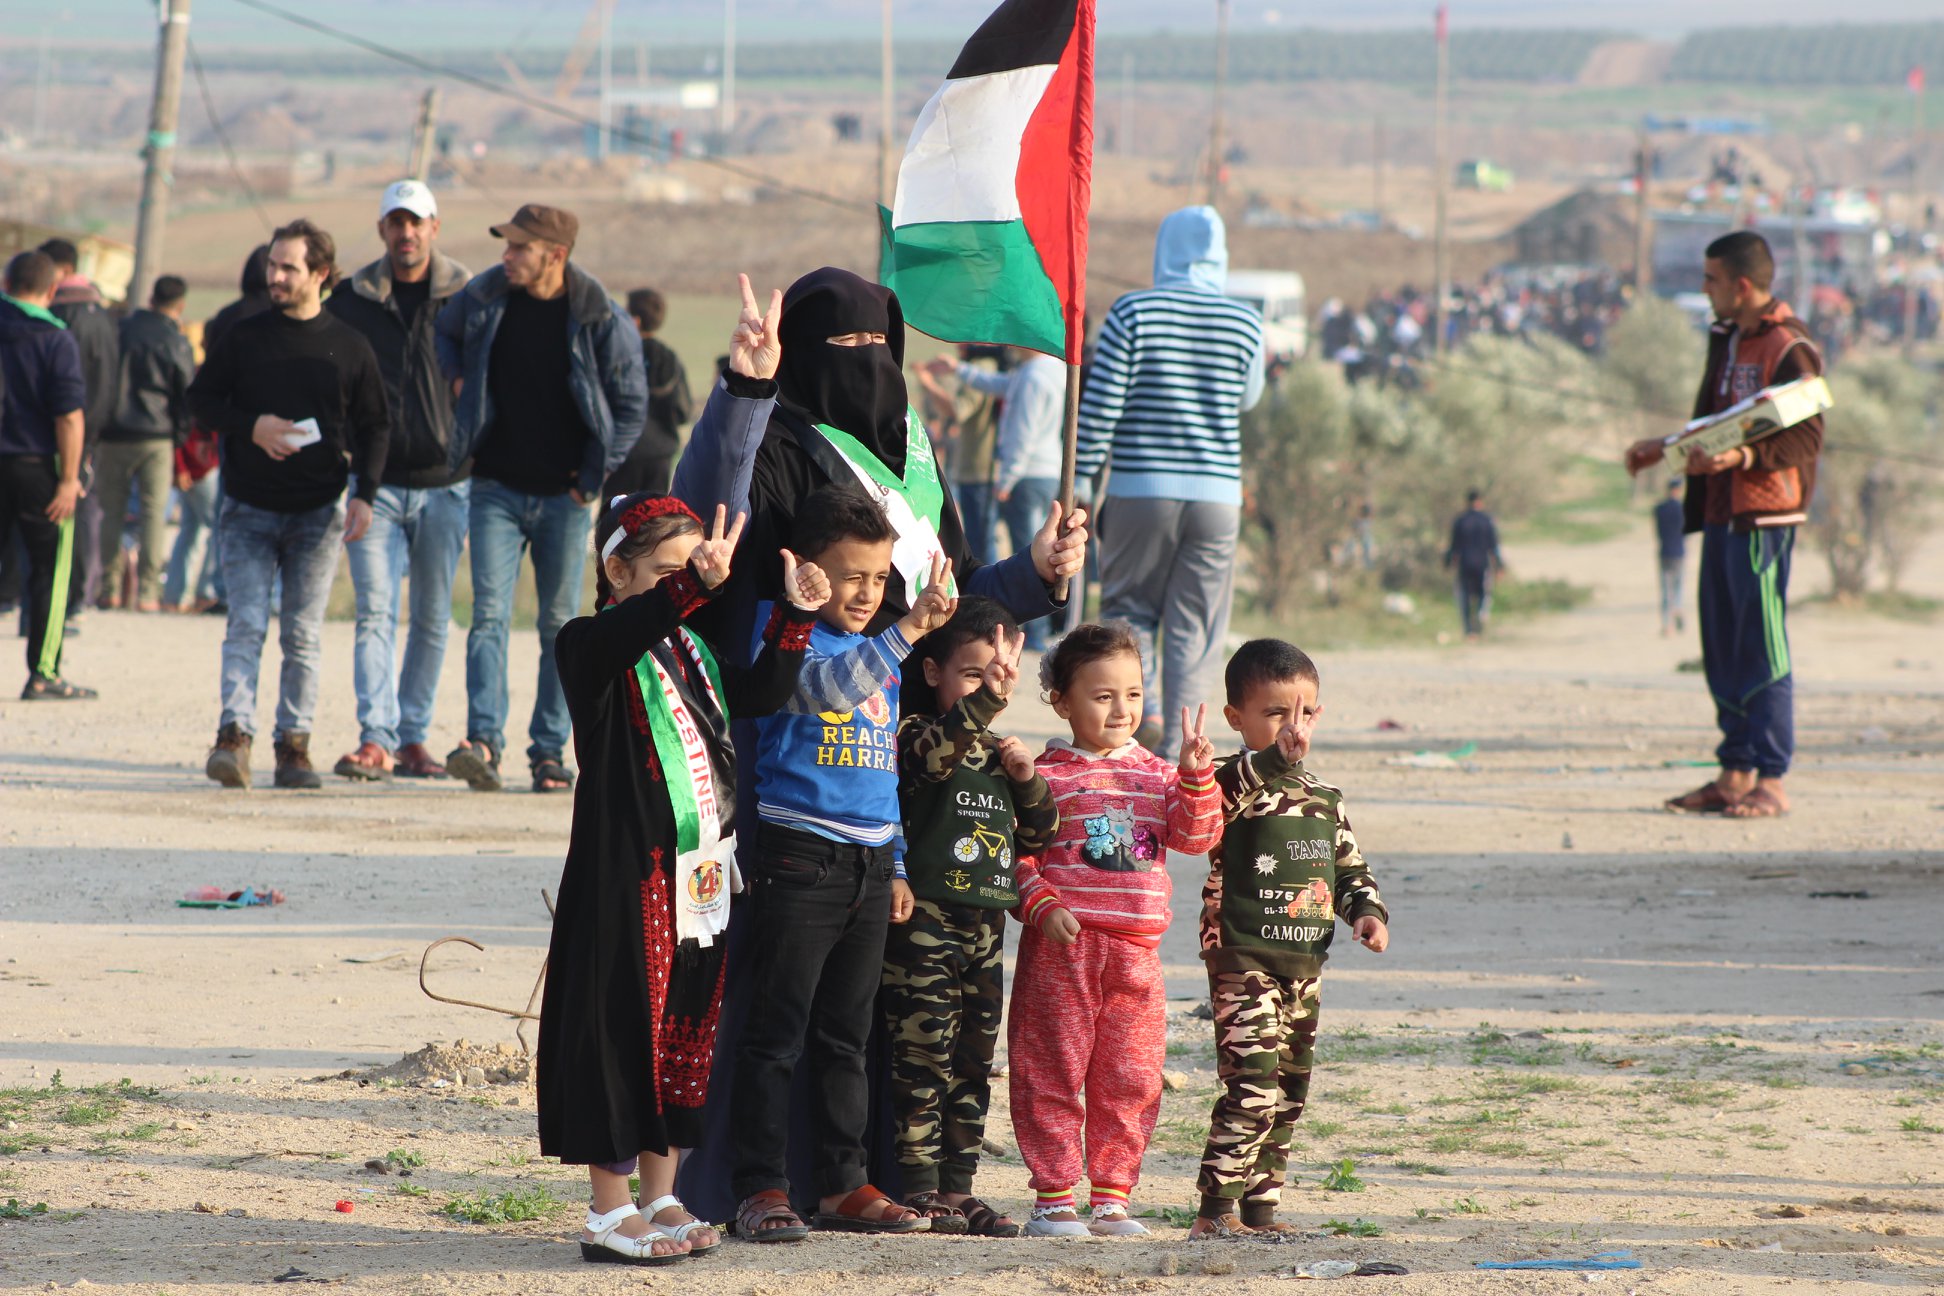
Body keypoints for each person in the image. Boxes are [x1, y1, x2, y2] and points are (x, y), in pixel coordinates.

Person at [670, 270, 1088, 1225]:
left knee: (872, 1013)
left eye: (878, 347)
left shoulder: (915, 452)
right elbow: (717, 524)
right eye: (843, 348)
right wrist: (746, 389)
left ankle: (874, 1178)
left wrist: (1033, 573)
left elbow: (952, 598)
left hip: (898, 770)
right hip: (788, 754)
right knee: (775, 1008)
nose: (865, 365)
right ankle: (754, 1182)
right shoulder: (775, 438)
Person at [538, 493, 826, 1266]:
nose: (694, 583)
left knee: (684, 1031)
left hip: (695, 875)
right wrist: (691, 587)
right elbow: (629, 630)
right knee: (619, 1034)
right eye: (675, 571)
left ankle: (661, 1195)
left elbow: (759, 694)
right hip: (626, 877)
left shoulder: (690, 650)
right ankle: (609, 1209)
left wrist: (795, 617)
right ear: (616, 571)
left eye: (698, 571)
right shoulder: (588, 644)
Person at [727, 483, 957, 1241]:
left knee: (846, 1038)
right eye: (851, 576)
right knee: (777, 1034)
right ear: (806, 570)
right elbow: (824, 693)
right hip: (800, 859)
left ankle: (843, 1185)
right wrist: (908, 629)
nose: (867, 594)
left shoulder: (883, 647)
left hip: (869, 866)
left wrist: (897, 863)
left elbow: (882, 770)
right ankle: (760, 1187)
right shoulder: (783, 632)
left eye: (880, 578)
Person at [1008, 622, 1221, 1237]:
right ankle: (1053, 1198)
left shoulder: (1158, 774)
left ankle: (1111, 1196)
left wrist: (1196, 776)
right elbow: (1015, 859)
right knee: (1049, 1069)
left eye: (1133, 694)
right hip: (1063, 952)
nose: (1121, 709)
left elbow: (1196, 836)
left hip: (1136, 954)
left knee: (1130, 1077)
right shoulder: (1042, 777)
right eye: (1103, 696)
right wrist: (1041, 904)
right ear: (1061, 702)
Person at [435, 203, 646, 794]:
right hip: (494, 487)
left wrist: (592, 477)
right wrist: (458, 379)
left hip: (565, 497)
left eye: (519, 248)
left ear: (555, 255)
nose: (506, 256)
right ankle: (483, 742)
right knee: (488, 616)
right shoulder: (484, 295)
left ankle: (549, 753)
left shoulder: (599, 315)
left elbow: (631, 405)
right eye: (506, 245)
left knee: (559, 625)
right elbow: (444, 330)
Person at [1188, 640, 1388, 1241]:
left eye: (1304, 713)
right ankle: (1214, 1211)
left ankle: (1260, 1210)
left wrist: (1366, 912)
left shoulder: (1325, 797)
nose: (1292, 727)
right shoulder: (1230, 781)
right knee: (1251, 1084)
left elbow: (1349, 868)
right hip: (1242, 955)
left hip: (1304, 962)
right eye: (1276, 713)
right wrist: (1273, 759)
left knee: (1288, 1092)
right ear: (1236, 718)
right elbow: (1208, 808)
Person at [1626, 231, 1823, 821]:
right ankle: (1734, 773)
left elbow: (1806, 436)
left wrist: (1741, 458)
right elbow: (1724, 421)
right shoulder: (1730, 337)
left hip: (1762, 514)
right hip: (1719, 509)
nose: (1704, 288)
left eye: (1711, 278)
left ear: (1740, 284)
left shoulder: (1789, 346)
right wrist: (1665, 447)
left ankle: (1772, 777)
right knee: (1722, 646)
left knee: (1762, 645)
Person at [189, 219, 390, 790]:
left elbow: (376, 425)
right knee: (246, 625)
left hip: (318, 514)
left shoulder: (348, 346)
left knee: (301, 634)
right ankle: (233, 739)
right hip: (247, 509)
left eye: (287, 268)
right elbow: (200, 400)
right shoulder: (243, 337)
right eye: (272, 266)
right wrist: (250, 425)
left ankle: (293, 748)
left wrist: (365, 495)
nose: (274, 276)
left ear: (320, 273)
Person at [882, 598, 1057, 1236]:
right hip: (924, 924)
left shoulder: (996, 751)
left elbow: (1039, 835)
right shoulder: (914, 733)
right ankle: (921, 1188)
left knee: (973, 1062)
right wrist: (984, 704)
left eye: (997, 676)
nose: (988, 687)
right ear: (934, 673)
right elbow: (932, 760)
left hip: (985, 930)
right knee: (923, 1055)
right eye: (973, 675)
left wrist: (1027, 779)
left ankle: (959, 1189)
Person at [1075, 206, 1266, 756]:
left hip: (1141, 490)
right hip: (1217, 497)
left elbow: (1102, 405)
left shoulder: (1134, 312)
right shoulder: (1246, 322)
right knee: (1194, 626)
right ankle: (1183, 748)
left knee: (1129, 607)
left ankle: (1146, 709)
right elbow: (1247, 399)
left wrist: (1082, 477)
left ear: (1165, 251)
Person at [325, 180, 473, 781]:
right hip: (374, 484)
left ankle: (413, 738)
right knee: (375, 614)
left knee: (432, 618)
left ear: (434, 227)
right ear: (382, 229)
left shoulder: (468, 296)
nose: (406, 233)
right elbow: (327, 374)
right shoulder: (352, 299)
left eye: (416, 222)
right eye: (396, 222)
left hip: (447, 481)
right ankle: (375, 738)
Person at [923, 347, 1067, 650]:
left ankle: (1035, 634)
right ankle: (1038, 631)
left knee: (1032, 553)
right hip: (1045, 471)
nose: (1011, 344)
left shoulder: (1034, 376)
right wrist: (959, 369)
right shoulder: (1047, 370)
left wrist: (1007, 477)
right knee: (1037, 550)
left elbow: (1021, 432)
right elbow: (997, 384)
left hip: (1026, 475)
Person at [0, 250, 94, 700]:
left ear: (6, 283)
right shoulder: (55, 339)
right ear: (52, 289)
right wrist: (69, 479)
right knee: (49, 570)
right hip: (36, 467)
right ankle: (43, 673)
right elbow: (69, 417)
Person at [95, 274, 195, 614]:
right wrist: (179, 436)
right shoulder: (175, 340)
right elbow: (186, 394)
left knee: (111, 511)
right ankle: (148, 592)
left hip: (113, 433)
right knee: (154, 514)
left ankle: (109, 588)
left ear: (151, 299)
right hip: (157, 435)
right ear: (180, 306)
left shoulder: (118, 330)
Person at [39, 239, 119, 624]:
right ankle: (78, 598)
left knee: (62, 515)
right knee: (84, 513)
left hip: (64, 430)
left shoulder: (58, 315)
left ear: (63, 270)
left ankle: (60, 601)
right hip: (92, 430)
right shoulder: (104, 314)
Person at [602, 288, 693, 499]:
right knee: (654, 515)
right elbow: (683, 411)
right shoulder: (670, 358)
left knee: (616, 514)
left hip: (622, 453)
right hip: (660, 457)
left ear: (635, 321)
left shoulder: (617, 355)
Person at [1444, 488, 1502, 640]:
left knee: (1465, 596)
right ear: (1480, 501)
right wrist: (1499, 566)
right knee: (1483, 594)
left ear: (1467, 502)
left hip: (1465, 564)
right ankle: (1479, 620)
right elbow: (1494, 546)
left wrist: (1448, 563)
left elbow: (1453, 546)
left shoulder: (1460, 521)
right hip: (1482, 564)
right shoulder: (1487, 521)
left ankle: (1469, 629)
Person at [1654, 477, 1687, 637]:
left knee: (1666, 590)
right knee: (1678, 586)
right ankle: (1678, 609)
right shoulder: (1683, 509)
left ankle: (1667, 625)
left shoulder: (1659, 509)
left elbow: (1658, 532)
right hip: (1679, 552)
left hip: (1664, 552)